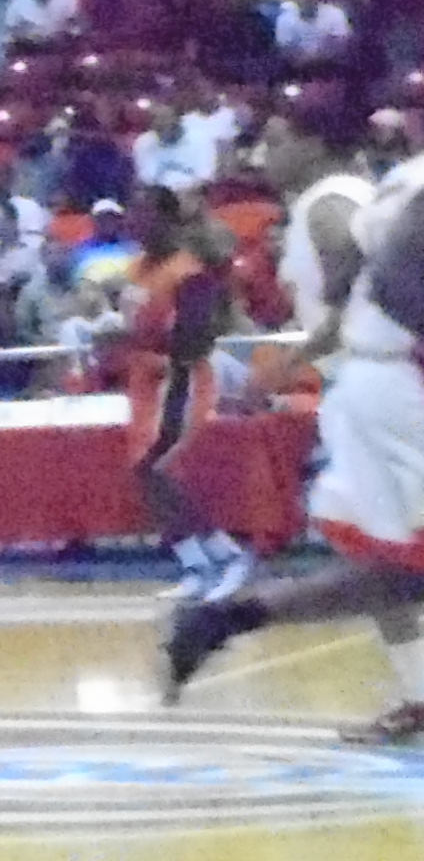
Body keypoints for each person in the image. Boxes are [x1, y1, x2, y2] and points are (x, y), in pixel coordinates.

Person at [167, 149, 424, 740]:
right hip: (398, 386)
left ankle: (231, 616)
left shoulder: (385, 188)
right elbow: (389, 285)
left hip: (381, 384)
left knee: (400, 571)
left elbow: (363, 283)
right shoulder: (343, 203)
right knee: (399, 569)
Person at [122, 195, 251, 602]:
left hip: (180, 377)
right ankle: (196, 565)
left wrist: (131, 339)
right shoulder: (137, 269)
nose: (134, 223)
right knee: (146, 473)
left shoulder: (189, 272)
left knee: (153, 468)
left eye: (142, 215)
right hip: (145, 380)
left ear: (167, 221)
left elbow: (196, 339)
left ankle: (228, 555)